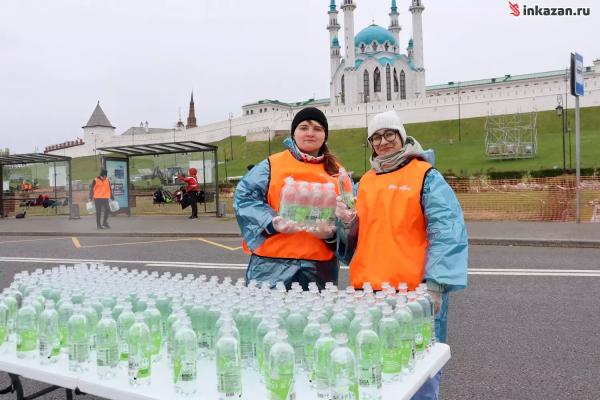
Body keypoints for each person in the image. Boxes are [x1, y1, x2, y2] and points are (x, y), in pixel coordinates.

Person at [336, 110, 468, 400]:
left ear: (402, 136)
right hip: (368, 294)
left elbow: (447, 231)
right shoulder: (366, 182)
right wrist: (348, 223)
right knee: (374, 368)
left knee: (418, 371)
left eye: (389, 135)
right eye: (376, 137)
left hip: (414, 296)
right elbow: (356, 238)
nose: (382, 142)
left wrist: (437, 284)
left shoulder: (425, 176)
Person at [234, 107, 343, 290]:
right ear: (294, 133)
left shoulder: (337, 172)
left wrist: (331, 235)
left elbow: (350, 215)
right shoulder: (271, 165)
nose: (310, 133)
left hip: (319, 266)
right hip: (270, 264)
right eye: (304, 127)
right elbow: (245, 198)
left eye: (317, 128)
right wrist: (271, 222)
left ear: (325, 135)